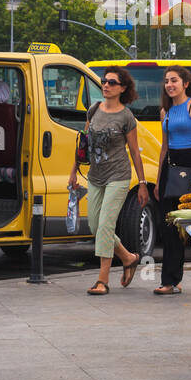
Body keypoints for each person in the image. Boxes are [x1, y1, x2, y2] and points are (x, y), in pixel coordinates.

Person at [70, 67, 150, 294]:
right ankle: (128, 257)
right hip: (95, 176)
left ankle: (102, 280)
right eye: (104, 81)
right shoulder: (94, 110)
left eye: (112, 82)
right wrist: (74, 171)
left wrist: (142, 183)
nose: (105, 85)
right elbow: (83, 143)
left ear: (122, 88)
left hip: (118, 176)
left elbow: (135, 152)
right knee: (96, 226)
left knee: (106, 225)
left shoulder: (126, 117)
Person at [152, 66, 191, 296]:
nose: (169, 84)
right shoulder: (164, 111)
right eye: (167, 81)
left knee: (190, 226)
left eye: (174, 80)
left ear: (185, 83)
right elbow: (164, 147)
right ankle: (170, 281)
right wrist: (158, 180)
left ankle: (182, 278)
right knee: (168, 226)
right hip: (170, 168)